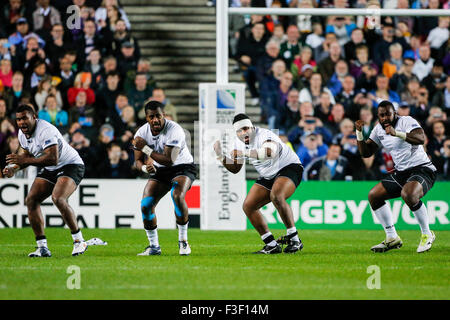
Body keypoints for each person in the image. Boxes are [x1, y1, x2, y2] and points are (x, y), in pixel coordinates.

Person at [2, 104, 87, 257]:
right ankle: (42, 247)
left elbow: (52, 159)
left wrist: (24, 160)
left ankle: (79, 241)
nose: (21, 123)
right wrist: (14, 168)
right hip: (51, 168)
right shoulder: (22, 135)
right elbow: (27, 156)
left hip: (71, 164)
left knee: (58, 198)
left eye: (25, 118)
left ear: (34, 117)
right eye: (18, 120)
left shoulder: (45, 131)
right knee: (31, 200)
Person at [213, 113, 304, 254]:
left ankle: (295, 239)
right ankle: (271, 244)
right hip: (268, 174)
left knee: (277, 196)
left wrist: (244, 152)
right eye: (239, 131)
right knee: (248, 206)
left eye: (246, 128)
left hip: (288, 167)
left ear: (252, 127)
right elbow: (235, 169)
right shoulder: (237, 142)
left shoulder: (265, 135)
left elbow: (269, 153)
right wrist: (220, 155)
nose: (243, 133)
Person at [355, 100, 437, 253]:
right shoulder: (378, 129)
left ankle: (427, 234)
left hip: (422, 168)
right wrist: (359, 133)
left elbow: (420, 139)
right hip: (401, 172)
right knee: (374, 195)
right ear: (378, 116)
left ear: (395, 113)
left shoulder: (407, 121)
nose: (385, 118)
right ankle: (392, 237)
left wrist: (397, 133)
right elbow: (366, 152)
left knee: (409, 194)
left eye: (388, 114)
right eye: (381, 115)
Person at [132, 100, 196, 256]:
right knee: (146, 205)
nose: (155, 120)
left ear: (164, 115)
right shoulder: (141, 133)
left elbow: (169, 160)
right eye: (151, 117)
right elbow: (137, 161)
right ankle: (154, 246)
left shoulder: (175, 130)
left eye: (158, 116)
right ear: (146, 118)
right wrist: (144, 168)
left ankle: (183, 241)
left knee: (177, 195)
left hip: (183, 167)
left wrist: (146, 148)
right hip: (161, 170)